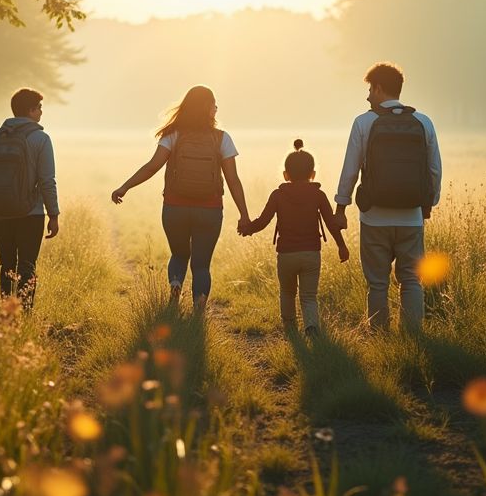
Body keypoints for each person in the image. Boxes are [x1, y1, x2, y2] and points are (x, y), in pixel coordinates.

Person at [110, 86, 250, 308]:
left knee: (179, 254)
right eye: (214, 104)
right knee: (202, 264)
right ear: (209, 109)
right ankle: (200, 300)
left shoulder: (173, 135)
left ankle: (176, 282)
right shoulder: (222, 139)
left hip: (175, 207)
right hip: (210, 209)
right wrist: (244, 215)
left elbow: (152, 167)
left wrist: (125, 186)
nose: (216, 108)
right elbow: (233, 180)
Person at [334, 63, 442, 332]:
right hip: (411, 216)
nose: (368, 95)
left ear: (379, 88)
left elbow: (350, 169)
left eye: (370, 89)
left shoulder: (364, 122)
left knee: (378, 282)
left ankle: (379, 337)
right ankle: (413, 337)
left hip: (373, 217)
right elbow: (434, 169)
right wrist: (428, 204)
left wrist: (341, 206)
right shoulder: (423, 122)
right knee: (412, 279)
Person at [242, 139, 349, 336]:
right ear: (313, 174)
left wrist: (249, 228)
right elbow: (331, 224)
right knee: (309, 296)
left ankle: (290, 328)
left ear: (285, 175)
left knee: (287, 293)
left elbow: (263, 221)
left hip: (286, 255)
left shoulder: (278, 195)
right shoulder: (319, 195)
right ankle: (311, 327)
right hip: (311, 254)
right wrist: (342, 246)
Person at [0, 88, 59, 310]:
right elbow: (47, 181)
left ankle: (6, 316)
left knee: (7, 265)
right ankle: (25, 317)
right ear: (30, 111)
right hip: (31, 214)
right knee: (27, 266)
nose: (41, 112)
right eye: (38, 107)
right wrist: (53, 214)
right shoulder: (41, 138)